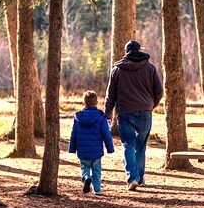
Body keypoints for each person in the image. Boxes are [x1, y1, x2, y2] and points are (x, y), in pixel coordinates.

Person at [104, 40, 163, 191]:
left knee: (128, 145)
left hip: (124, 113)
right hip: (145, 112)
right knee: (140, 146)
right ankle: (140, 178)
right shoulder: (150, 68)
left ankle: (132, 178)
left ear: (126, 52)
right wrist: (152, 105)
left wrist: (107, 113)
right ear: (139, 50)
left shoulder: (117, 70)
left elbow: (110, 95)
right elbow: (159, 91)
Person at [68, 90, 115, 195]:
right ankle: (97, 190)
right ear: (96, 102)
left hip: (83, 150)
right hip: (96, 151)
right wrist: (110, 148)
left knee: (85, 167)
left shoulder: (78, 117)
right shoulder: (101, 117)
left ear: (84, 103)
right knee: (96, 170)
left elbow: (74, 133)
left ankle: (86, 178)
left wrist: (72, 148)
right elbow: (106, 134)